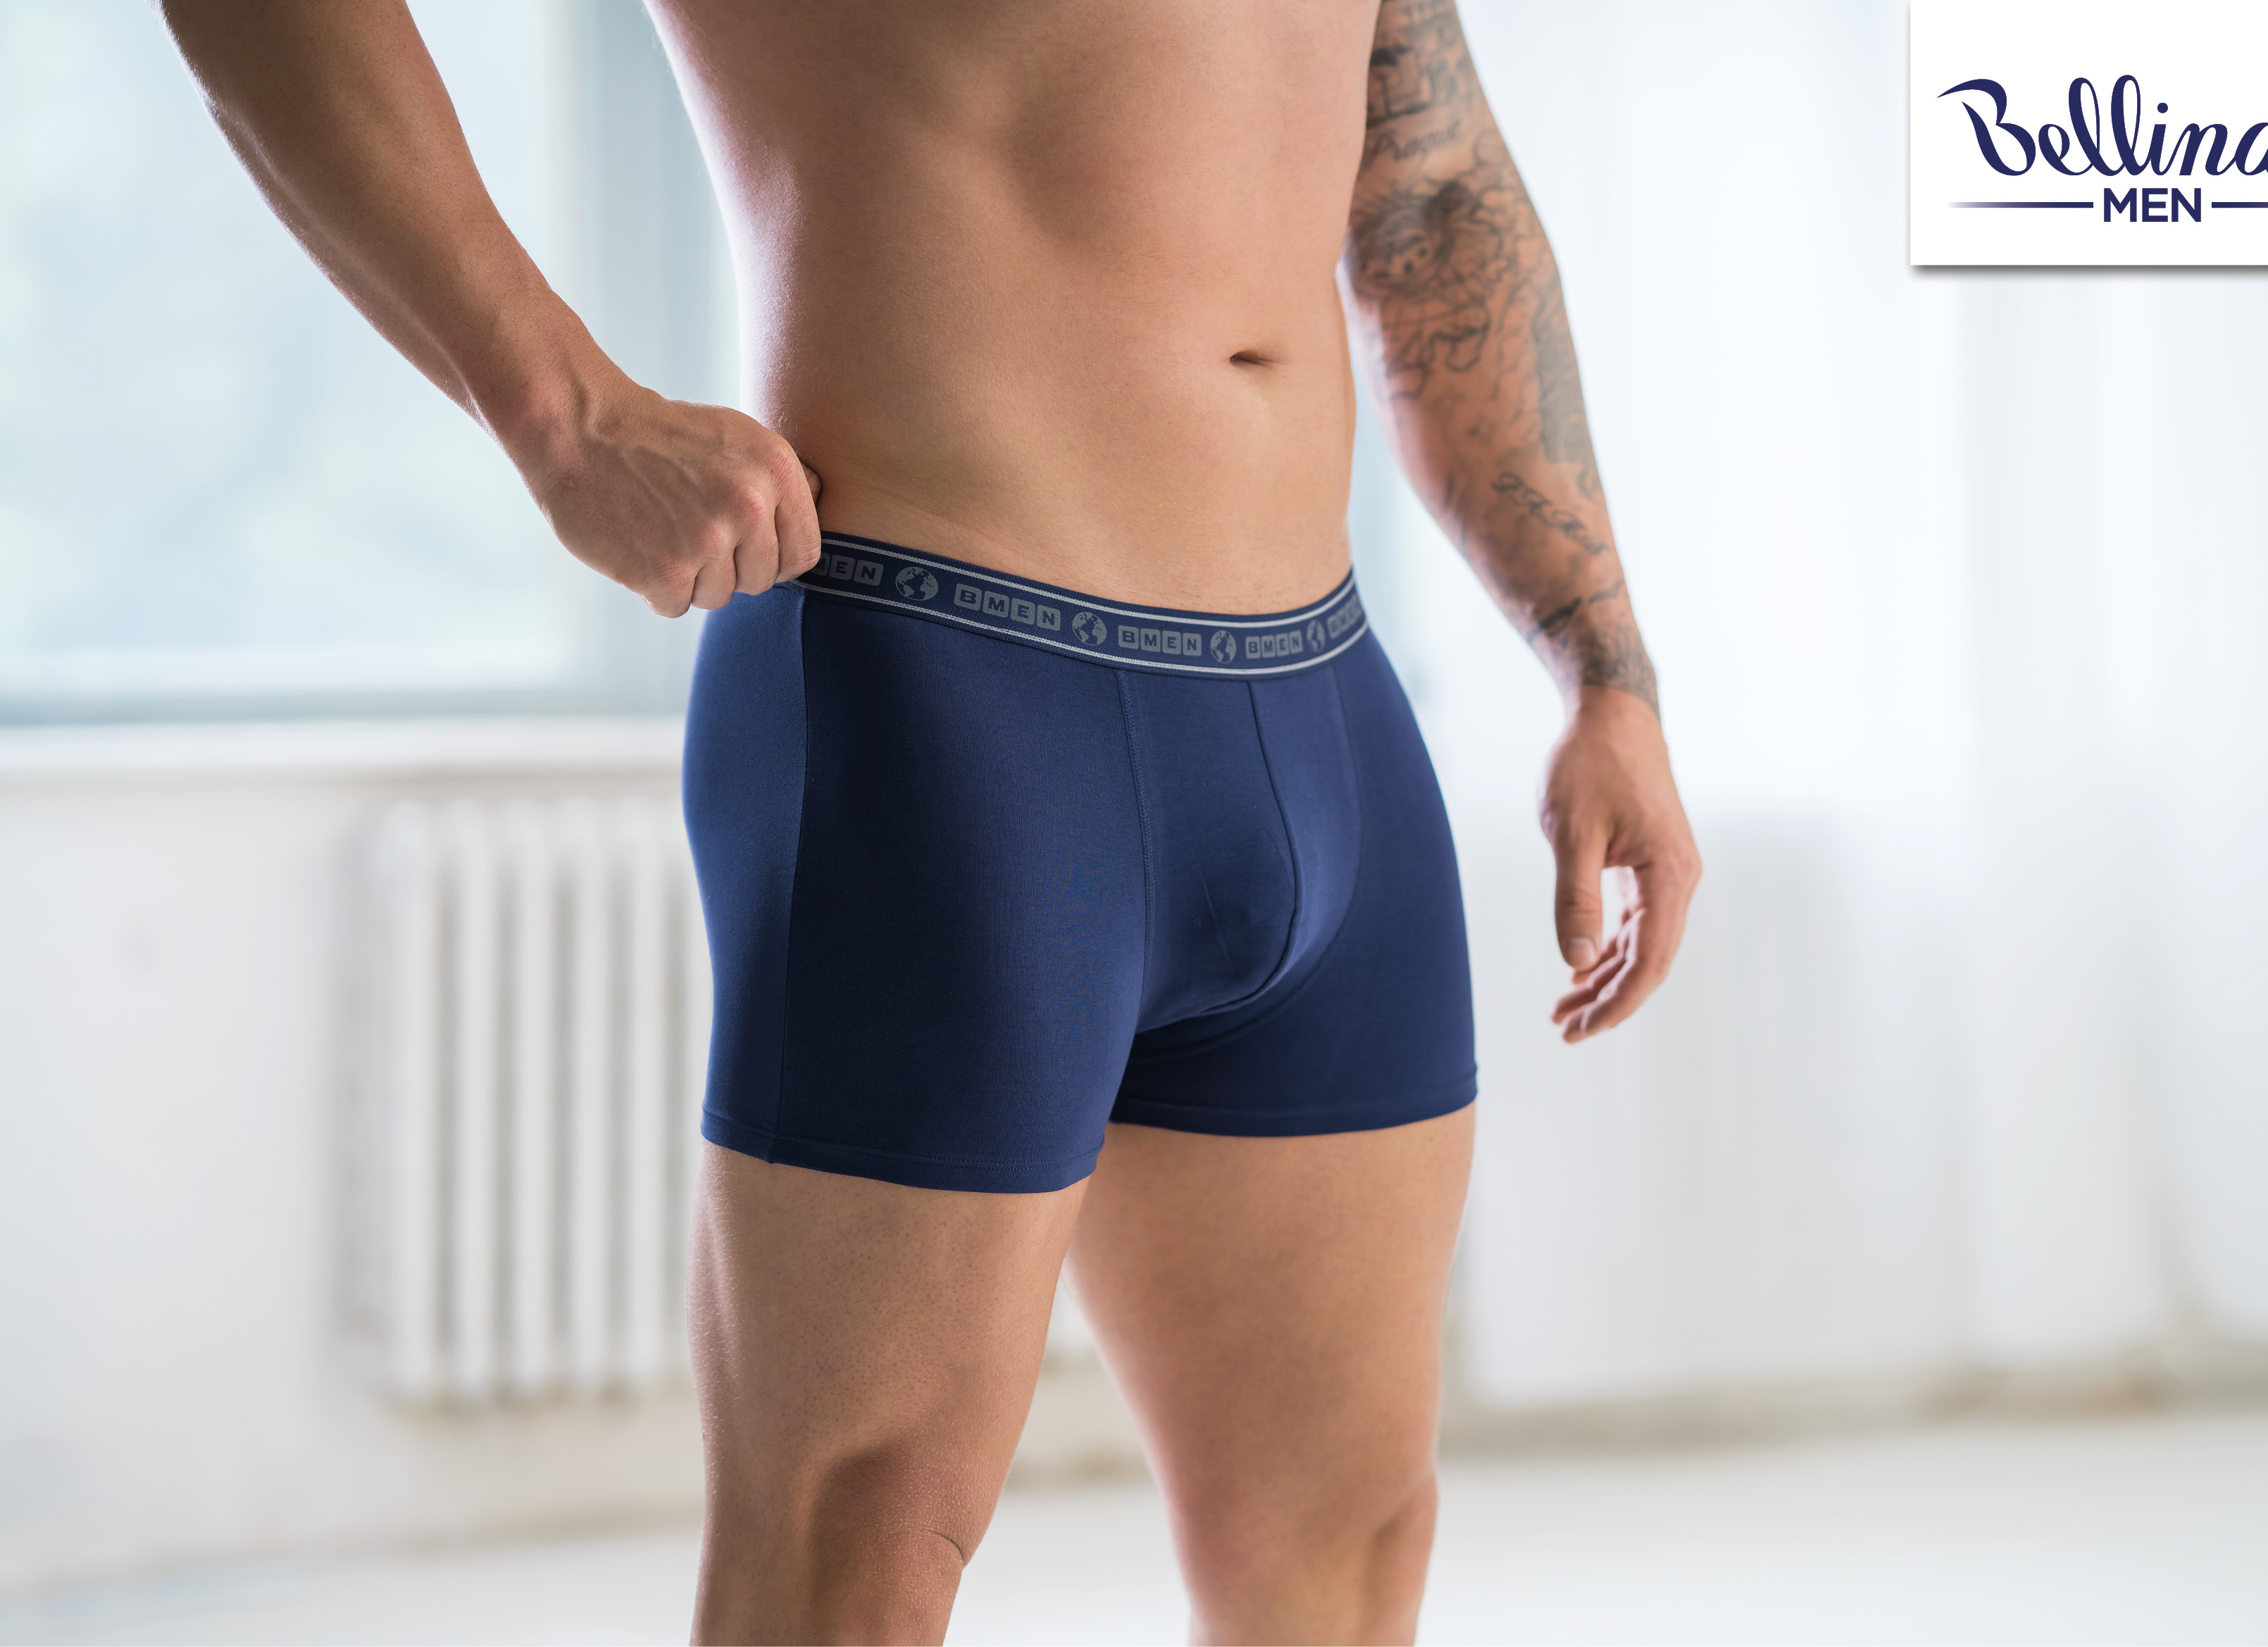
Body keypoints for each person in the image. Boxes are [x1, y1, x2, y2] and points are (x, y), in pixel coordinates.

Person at [163, 0, 1701, 1639]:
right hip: (950, 675)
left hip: (1319, 702)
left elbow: (1428, 183)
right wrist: (564, 413)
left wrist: (1598, 662)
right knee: (859, 1541)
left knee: (1349, 1532)